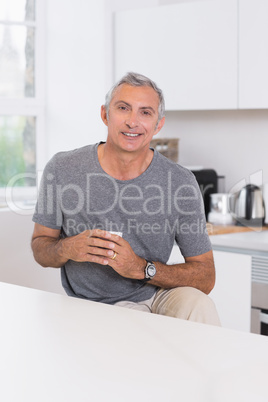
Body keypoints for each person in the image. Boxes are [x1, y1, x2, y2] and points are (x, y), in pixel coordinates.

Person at [31, 72, 220, 326]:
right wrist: (68, 247)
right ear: (105, 114)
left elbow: (206, 276)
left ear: (158, 124)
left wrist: (140, 268)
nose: (133, 122)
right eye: (123, 108)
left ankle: (206, 366)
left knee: (200, 305)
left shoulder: (180, 181)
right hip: (93, 306)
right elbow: (41, 248)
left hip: (158, 294)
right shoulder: (64, 168)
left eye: (145, 112)